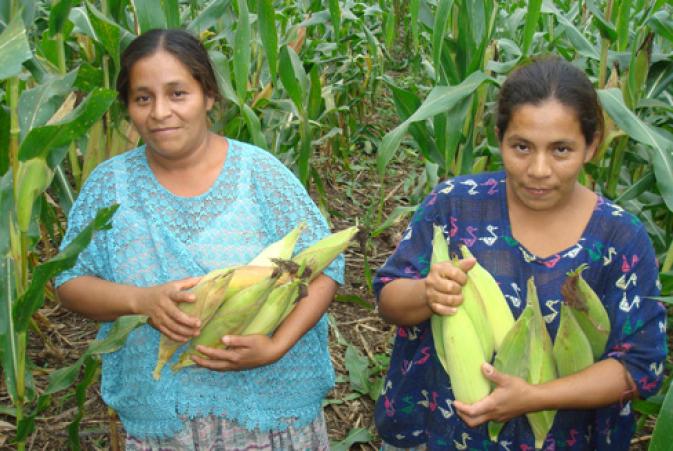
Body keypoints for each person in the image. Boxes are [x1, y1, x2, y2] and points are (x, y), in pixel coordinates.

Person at [55, 28, 343, 450]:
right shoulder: (108, 187)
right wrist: (141, 301)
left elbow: (326, 267)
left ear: (208, 96)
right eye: (142, 98)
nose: (159, 112)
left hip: (268, 410)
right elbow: (70, 282)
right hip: (164, 422)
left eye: (177, 94)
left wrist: (276, 345)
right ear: (127, 108)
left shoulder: (260, 175)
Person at [373, 56, 667, 450]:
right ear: (499, 138)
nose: (539, 169)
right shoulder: (454, 206)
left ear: (591, 146)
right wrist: (428, 293)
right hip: (445, 433)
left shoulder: (620, 240)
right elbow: (389, 300)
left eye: (561, 150)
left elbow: (640, 367)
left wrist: (534, 397)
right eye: (522, 147)